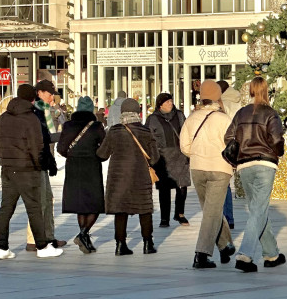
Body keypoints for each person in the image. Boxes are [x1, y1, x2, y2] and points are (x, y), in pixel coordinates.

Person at [0, 84, 63, 259]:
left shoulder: (3, 118)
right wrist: (38, 165)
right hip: (27, 170)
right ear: (33, 98)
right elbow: (37, 147)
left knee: (5, 209)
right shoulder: (31, 119)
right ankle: (42, 246)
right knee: (34, 208)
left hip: (8, 169)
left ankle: (2, 248)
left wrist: (6, 160)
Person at [224, 76, 286, 273]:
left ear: (251, 91)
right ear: (266, 91)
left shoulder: (241, 113)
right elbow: (276, 138)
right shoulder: (270, 114)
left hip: (244, 165)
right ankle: (245, 255)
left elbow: (228, 137)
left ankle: (271, 254)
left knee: (257, 209)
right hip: (265, 163)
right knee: (258, 210)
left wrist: (240, 150)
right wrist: (278, 151)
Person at [180, 80, 236, 269]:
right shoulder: (224, 119)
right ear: (218, 97)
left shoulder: (192, 118)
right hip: (219, 168)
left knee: (211, 210)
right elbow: (232, 144)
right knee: (212, 212)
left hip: (197, 168)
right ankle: (201, 254)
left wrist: (198, 155)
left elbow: (184, 147)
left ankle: (224, 246)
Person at [97, 97, 161, 255]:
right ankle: (148, 244)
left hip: (118, 178)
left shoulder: (114, 131)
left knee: (120, 211)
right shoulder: (146, 131)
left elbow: (102, 154)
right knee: (144, 210)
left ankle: (120, 245)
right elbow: (155, 158)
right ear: (138, 112)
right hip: (140, 177)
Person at [57, 95, 107, 252]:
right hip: (91, 167)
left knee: (80, 204)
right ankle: (83, 234)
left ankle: (84, 236)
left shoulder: (68, 125)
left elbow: (61, 148)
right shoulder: (96, 126)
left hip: (73, 167)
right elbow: (104, 149)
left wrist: (72, 156)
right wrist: (96, 156)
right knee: (95, 204)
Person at [27, 79, 66, 252]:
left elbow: (49, 135)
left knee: (47, 199)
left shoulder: (46, 110)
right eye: (50, 95)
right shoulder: (37, 111)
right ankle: (34, 239)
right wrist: (63, 136)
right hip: (36, 161)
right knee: (39, 200)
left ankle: (48, 236)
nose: (52, 99)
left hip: (44, 159)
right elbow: (45, 137)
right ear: (40, 93)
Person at [145, 92, 191, 228]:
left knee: (182, 186)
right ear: (160, 105)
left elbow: (186, 132)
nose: (170, 104)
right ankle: (164, 218)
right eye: (167, 102)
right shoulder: (153, 119)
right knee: (164, 189)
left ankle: (180, 213)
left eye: (171, 101)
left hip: (180, 155)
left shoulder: (179, 115)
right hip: (162, 157)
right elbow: (148, 138)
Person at [219, 81, 242, 229]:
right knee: (227, 182)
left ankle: (225, 217)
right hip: (237, 146)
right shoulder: (239, 101)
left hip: (224, 145)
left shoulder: (223, 103)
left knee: (223, 184)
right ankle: (230, 217)